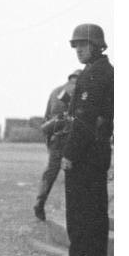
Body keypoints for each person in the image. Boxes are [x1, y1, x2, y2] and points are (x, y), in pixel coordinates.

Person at [47, 24, 114, 256]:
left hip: (86, 155)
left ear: (97, 45)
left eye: (84, 45)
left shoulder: (95, 74)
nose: (79, 50)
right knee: (95, 215)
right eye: (76, 46)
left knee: (81, 215)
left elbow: (85, 119)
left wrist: (69, 154)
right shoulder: (104, 71)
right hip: (98, 153)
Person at [33, 70, 82, 221]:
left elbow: (46, 119)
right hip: (72, 139)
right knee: (74, 176)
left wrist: (50, 143)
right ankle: (73, 213)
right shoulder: (80, 91)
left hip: (55, 139)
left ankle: (39, 203)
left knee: (50, 174)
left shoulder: (55, 91)